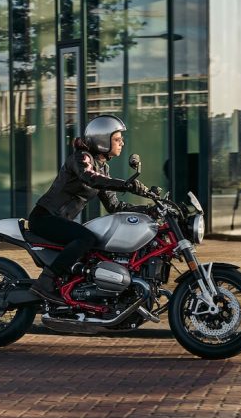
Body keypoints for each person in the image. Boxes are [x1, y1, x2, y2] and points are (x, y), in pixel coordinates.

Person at [28, 115, 151, 305]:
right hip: (45, 218)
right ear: (102, 140)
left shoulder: (103, 169)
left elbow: (114, 206)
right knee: (87, 238)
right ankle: (45, 282)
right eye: (117, 139)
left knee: (97, 247)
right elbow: (90, 177)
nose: (122, 143)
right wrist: (126, 185)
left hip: (62, 221)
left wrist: (147, 209)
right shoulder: (81, 158)